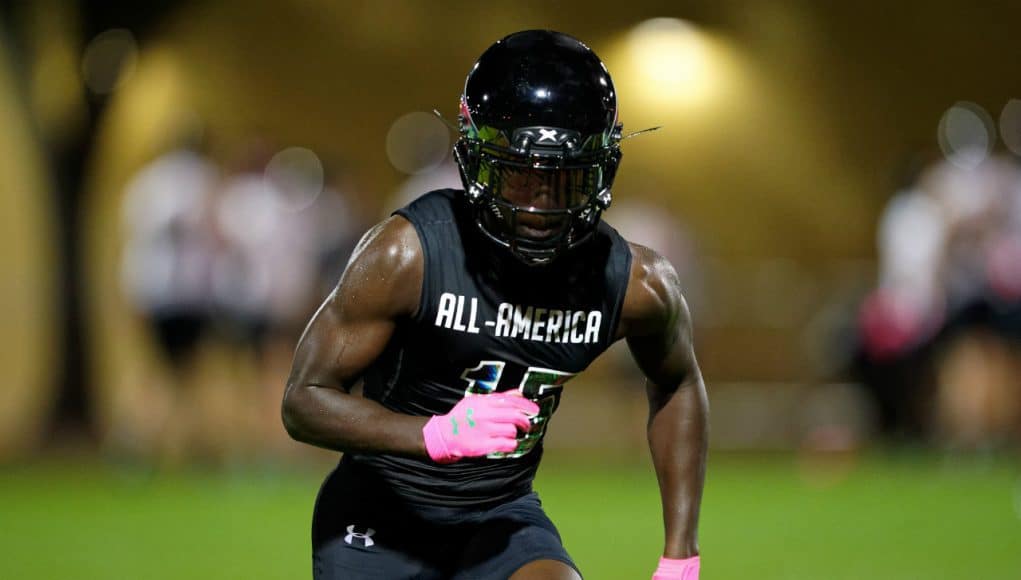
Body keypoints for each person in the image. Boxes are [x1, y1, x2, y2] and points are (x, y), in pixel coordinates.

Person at [282, 30, 708, 580]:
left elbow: (678, 381)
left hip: (500, 515)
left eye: (564, 178)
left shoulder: (636, 283)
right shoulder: (409, 253)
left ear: (601, 173)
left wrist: (681, 552)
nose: (540, 205)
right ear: (476, 164)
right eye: (519, 175)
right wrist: (430, 434)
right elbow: (303, 399)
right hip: (381, 514)